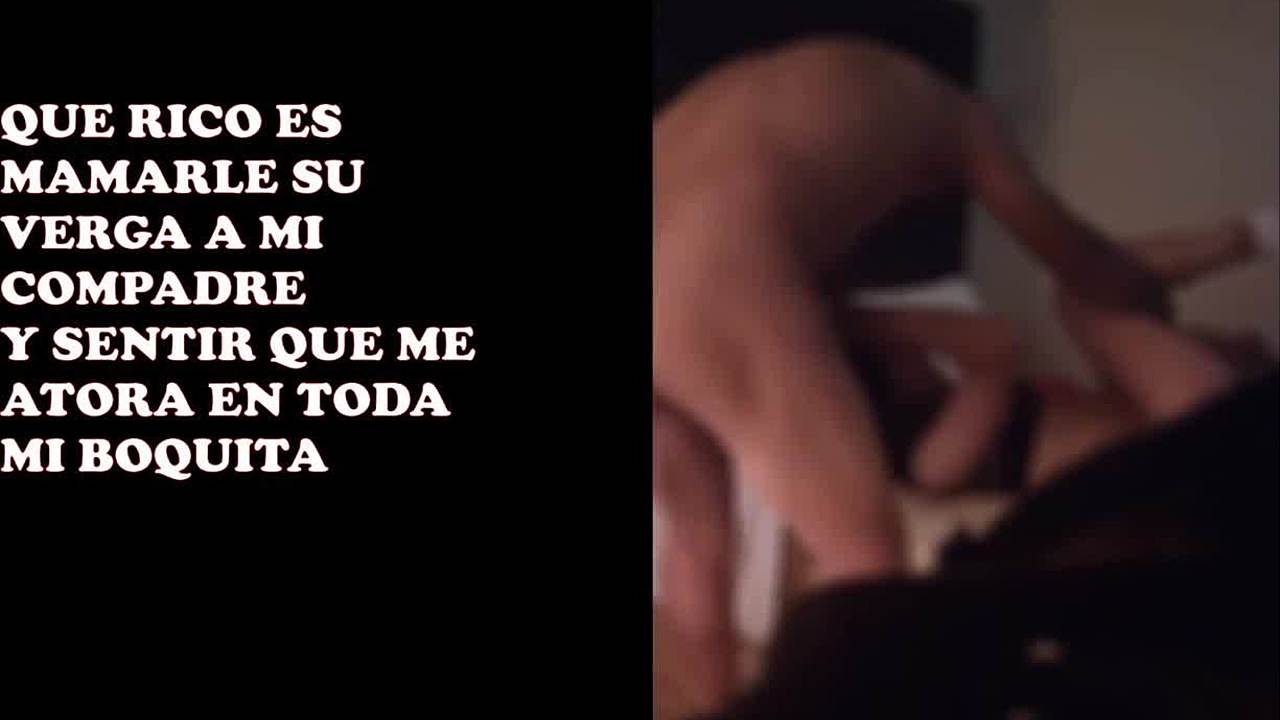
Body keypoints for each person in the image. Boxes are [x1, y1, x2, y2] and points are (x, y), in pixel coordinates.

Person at [655, 38, 1167, 594]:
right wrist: (1147, 301)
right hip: (703, 260)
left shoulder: (852, 105)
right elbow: (1088, 269)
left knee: (699, 544)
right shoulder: (969, 127)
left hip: (691, 224)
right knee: (863, 563)